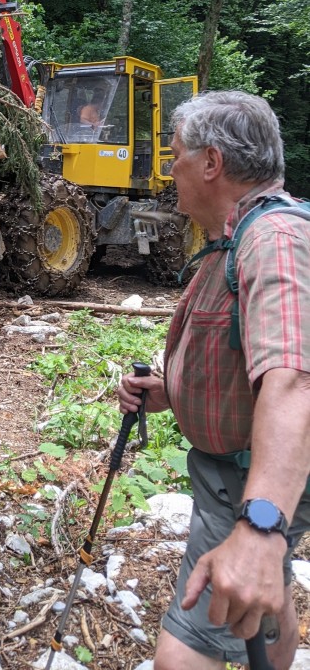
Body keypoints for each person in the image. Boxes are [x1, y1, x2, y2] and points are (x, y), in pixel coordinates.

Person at [117, 90, 310, 670]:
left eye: (175, 154)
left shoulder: (272, 241)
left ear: (211, 163)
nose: (168, 169)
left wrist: (259, 528)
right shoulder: (237, 236)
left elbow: (294, 378)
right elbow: (241, 359)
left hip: (249, 488)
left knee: (183, 654)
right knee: (265, 604)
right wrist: (173, 393)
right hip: (236, 476)